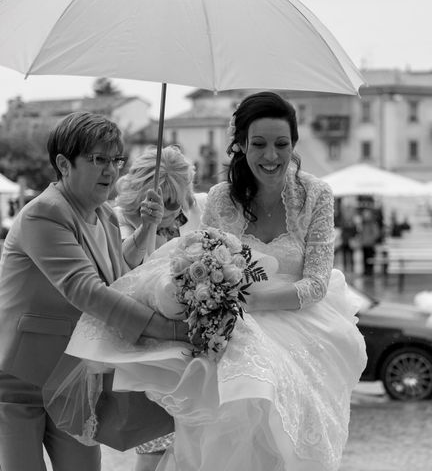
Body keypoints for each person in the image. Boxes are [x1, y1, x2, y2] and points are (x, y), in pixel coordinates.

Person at [64, 92, 367, 471]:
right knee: (224, 414)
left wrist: (248, 302)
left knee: (271, 400)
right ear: (240, 145)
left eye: (281, 144)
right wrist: (208, 293)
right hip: (235, 323)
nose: (271, 156)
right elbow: (204, 255)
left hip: (299, 318)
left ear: (294, 144)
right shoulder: (222, 198)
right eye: (258, 144)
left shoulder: (317, 194)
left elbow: (317, 284)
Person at [0, 112, 190, 471]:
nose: (110, 171)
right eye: (97, 160)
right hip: (19, 381)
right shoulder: (43, 213)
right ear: (63, 163)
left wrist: (148, 227)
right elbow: (85, 288)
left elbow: (121, 282)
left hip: (74, 379)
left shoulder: (106, 216)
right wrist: (166, 330)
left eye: (115, 160)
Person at [112, 145, 204, 471]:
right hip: (151, 344)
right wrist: (148, 226)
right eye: (161, 200)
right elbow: (128, 264)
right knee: (153, 445)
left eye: (174, 201)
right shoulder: (120, 218)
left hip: (196, 342)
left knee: (196, 443)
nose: (167, 210)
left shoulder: (198, 209)